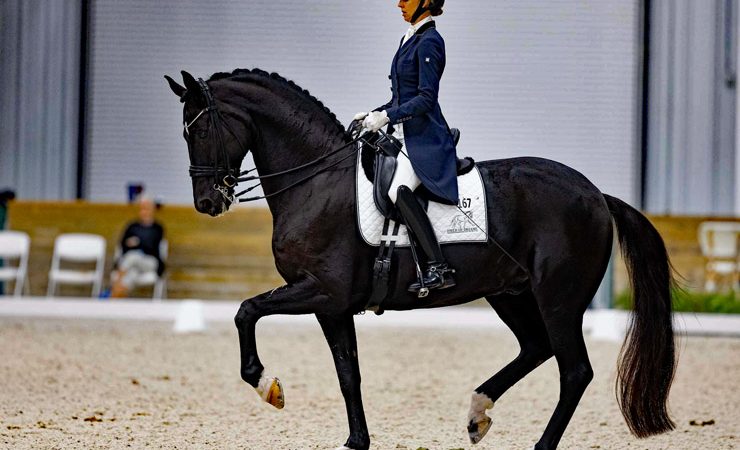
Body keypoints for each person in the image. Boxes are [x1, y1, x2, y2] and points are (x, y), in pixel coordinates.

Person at [355, 0, 458, 293]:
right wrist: (373, 114)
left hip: (424, 141)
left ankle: (439, 267)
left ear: (426, 1)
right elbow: (400, 98)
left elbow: (426, 99)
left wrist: (387, 116)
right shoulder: (408, 38)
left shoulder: (430, 42)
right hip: (402, 136)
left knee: (396, 191)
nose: (399, 2)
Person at [110, 196, 165, 298]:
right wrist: (135, 244)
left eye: (147, 208)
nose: (144, 211)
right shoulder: (132, 226)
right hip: (132, 265)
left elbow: (152, 246)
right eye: (142, 208)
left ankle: (115, 284)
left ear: (152, 209)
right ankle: (116, 298)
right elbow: (123, 244)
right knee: (132, 274)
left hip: (150, 262)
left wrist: (138, 243)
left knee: (133, 256)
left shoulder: (157, 228)